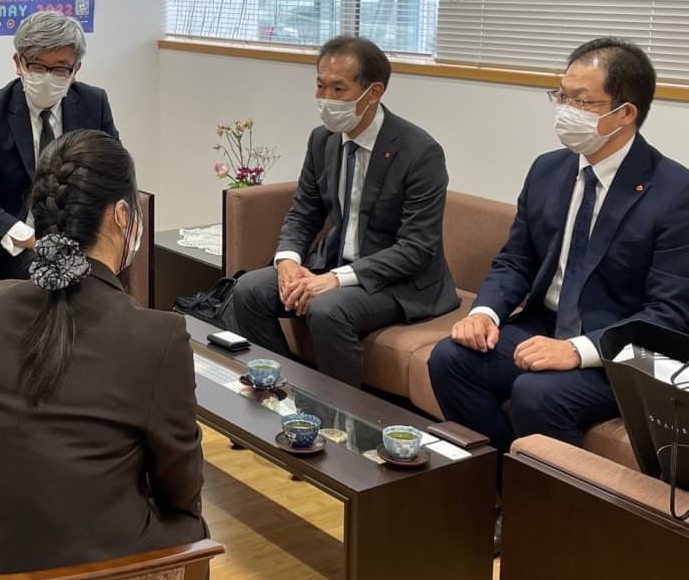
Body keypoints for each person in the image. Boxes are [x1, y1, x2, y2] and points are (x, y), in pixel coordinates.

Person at [0, 130, 206, 575]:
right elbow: (181, 487)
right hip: (84, 571)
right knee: (194, 527)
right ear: (122, 215)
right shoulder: (159, 335)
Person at [428, 37, 689, 454]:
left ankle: (548, 494)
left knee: (537, 393)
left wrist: (576, 350)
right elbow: (516, 260)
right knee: (450, 359)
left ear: (625, 113)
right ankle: (497, 479)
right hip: (546, 323)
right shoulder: (548, 170)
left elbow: (668, 314)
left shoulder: (675, 192)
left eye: (581, 101)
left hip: (626, 351)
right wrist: (484, 312)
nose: (565, 111)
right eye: (561, 96)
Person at [232, 35, 458, 386]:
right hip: (333, 264)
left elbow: (416, 248)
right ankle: (283, 391)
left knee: (327, 309)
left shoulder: (420, 152)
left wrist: (336, 279)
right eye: (320, 86)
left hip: (399, 282)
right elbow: (304, 212)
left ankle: (338, 413)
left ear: (374, 92)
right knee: (249, 289)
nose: (326, 99)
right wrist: (287, 260)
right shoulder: (322, 140)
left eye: (338, 89)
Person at [0, 11, 120, 284]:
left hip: (79, 237)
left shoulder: (93, 103)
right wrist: (24, 236)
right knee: (63, 280)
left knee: (99, 281)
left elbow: (115, 174)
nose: (48, 77)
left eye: (60, 68)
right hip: (18, 244)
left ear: (76, 70)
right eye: (37, 66)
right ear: (19, 63)